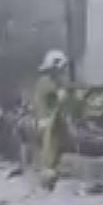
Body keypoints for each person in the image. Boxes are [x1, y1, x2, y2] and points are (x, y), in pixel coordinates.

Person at [32, 49, 70, 190]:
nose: (63, 72)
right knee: (49, 153)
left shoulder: (47, 81)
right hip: (47, 123)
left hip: (49, 122)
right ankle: (47, 180)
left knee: (52, 152)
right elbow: (57, 99)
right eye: (61, 69)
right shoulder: (46, 82)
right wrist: (61, 94)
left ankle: (49, 178)